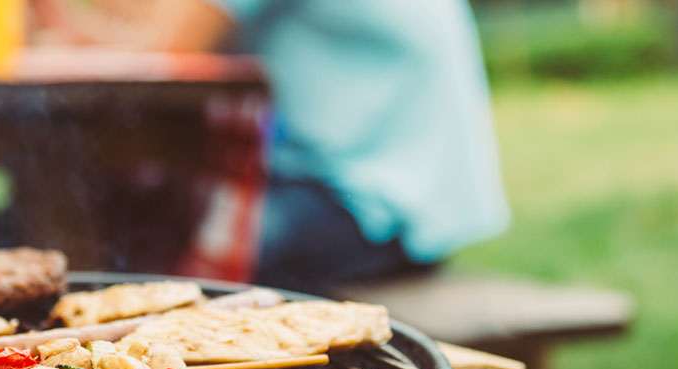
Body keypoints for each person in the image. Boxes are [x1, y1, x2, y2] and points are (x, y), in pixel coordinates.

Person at [37, 0, 509, 295]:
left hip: (377, 199)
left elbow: (164, 51)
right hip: (433, 193)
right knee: (142, 224)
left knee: (178, 265)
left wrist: (50, 14)